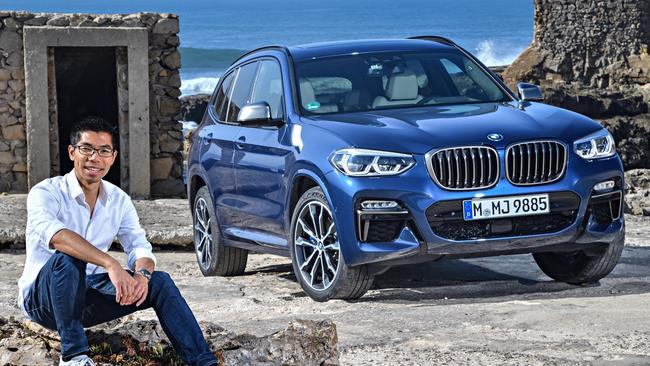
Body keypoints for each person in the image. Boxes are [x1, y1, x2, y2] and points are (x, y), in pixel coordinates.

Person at [17, 116, 218, 366]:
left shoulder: (119, 200)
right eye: (86, 149)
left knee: (160, 282)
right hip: (43, 301)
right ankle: (74, 357)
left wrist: (141, 276)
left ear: (113, 157)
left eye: (103, 151)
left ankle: (202, 361)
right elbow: (56, 236)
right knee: (69, 258)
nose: (94, 158)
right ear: (72, 152)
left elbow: (139, 246)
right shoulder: (45, 192)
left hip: (85, 298)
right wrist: (111, 264)